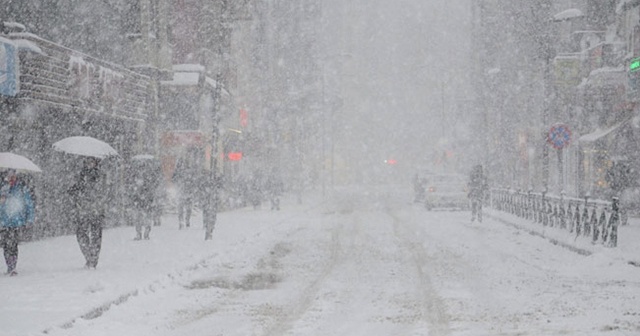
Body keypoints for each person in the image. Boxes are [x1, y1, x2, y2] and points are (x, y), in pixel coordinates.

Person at [68, 158, 106, 269]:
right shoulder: (80, 176)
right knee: (81, 234)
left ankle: (93, 259)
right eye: (87, 161)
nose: (89, 164)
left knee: (96, 236)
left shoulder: (100, 176)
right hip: (83, 210)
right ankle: (89, 256)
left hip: (96, 210)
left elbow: (103, 192)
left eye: (92, 161)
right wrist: (74, 190)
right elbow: (74, 191)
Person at [0, 169, 35, 276]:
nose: (11, 179)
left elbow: (29, 205)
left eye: (13, 176)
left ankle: (12, 267)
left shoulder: (22, 189)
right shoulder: (2, 189)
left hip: (16, 222)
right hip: (4, 221)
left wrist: (29, 219)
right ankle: (9, 266)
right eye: (9, 176)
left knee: (13, 244)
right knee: (6, 245)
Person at [129, 158, 162, 240]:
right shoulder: (143, 176)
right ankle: (141, 233)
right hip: (142, 200)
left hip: (144, 200)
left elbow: (152, 186)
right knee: (141, 217)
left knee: (142, 217)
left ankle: (143, 233)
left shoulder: (148, 177)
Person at [173, 151, 198, 229]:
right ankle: (186, 220)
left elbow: (173, 179)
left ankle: (182, 221)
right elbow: (194, 181)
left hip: (182, 191)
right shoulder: (190, 171)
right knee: (188, 208)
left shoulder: (178, 172)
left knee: (181, 207)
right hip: (188, 191)